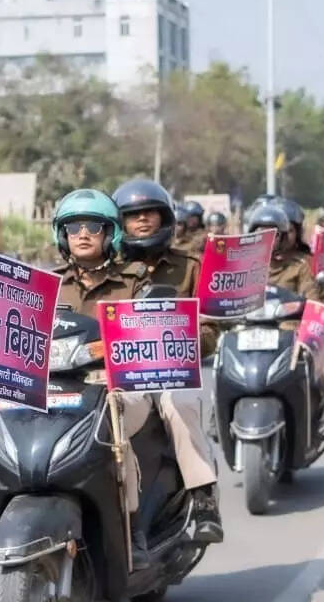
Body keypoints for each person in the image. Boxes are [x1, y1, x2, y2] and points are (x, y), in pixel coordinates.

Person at [112, 179, 223, 544]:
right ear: (119, 224)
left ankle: (203, 496)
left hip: (171, 373)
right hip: (120, 377)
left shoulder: (190, 267)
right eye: (132, 215)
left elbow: (211, 330)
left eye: (149, 213)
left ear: (165, 219)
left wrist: (182, 338)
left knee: (182, 405)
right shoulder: (112, 271)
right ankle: (121, 516)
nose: (142, 220)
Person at [49, 188, 154, 568]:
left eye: (94, 226)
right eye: (73, 226)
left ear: (110, 234)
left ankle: (133, 527)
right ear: (61, 234)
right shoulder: (48, 284)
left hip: (116, 387)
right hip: (56, 387)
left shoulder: (134, 281)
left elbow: (149, 332)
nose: (83, 233)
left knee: (117, 429)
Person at [248, 203, 324, 438]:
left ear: (284, 236)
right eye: (260, 233)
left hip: (291, 330)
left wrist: (297, 307)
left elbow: (313, 299)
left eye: (274, 233)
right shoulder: (245, 267)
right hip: (250, 330)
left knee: (318, 355)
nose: (267, 239)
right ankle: (217, 412)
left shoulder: (302, 265)